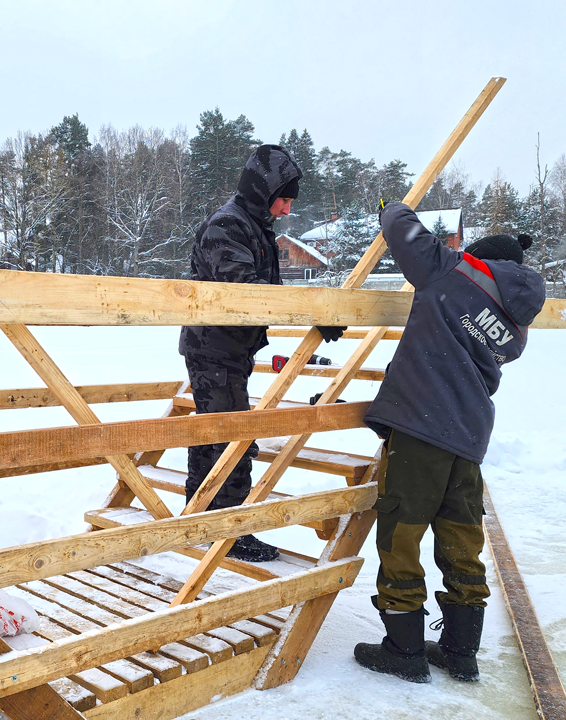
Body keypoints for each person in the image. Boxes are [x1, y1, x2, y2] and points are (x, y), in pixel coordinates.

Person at [353, 202, 545, 683]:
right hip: (468, 434)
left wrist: (390, 205)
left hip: (421, 427)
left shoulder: (452, 273)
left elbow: (402, 229)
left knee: (401, 532)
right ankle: (461, 651)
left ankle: (404, 649)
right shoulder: (516, 324)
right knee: (461, 538)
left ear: (481, 259)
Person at [178, 144, 344, 563]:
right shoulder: (227, 227)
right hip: (213, 348)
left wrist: (315, 314)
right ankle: (228, 531)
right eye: (284, 199)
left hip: (228, 347)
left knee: (214, 431)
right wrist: (312, 311)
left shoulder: (253, 224)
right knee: (233, 436)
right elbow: (249, 293)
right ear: (263, 190)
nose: (287, 210)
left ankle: (200, 517)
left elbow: (270, 291)